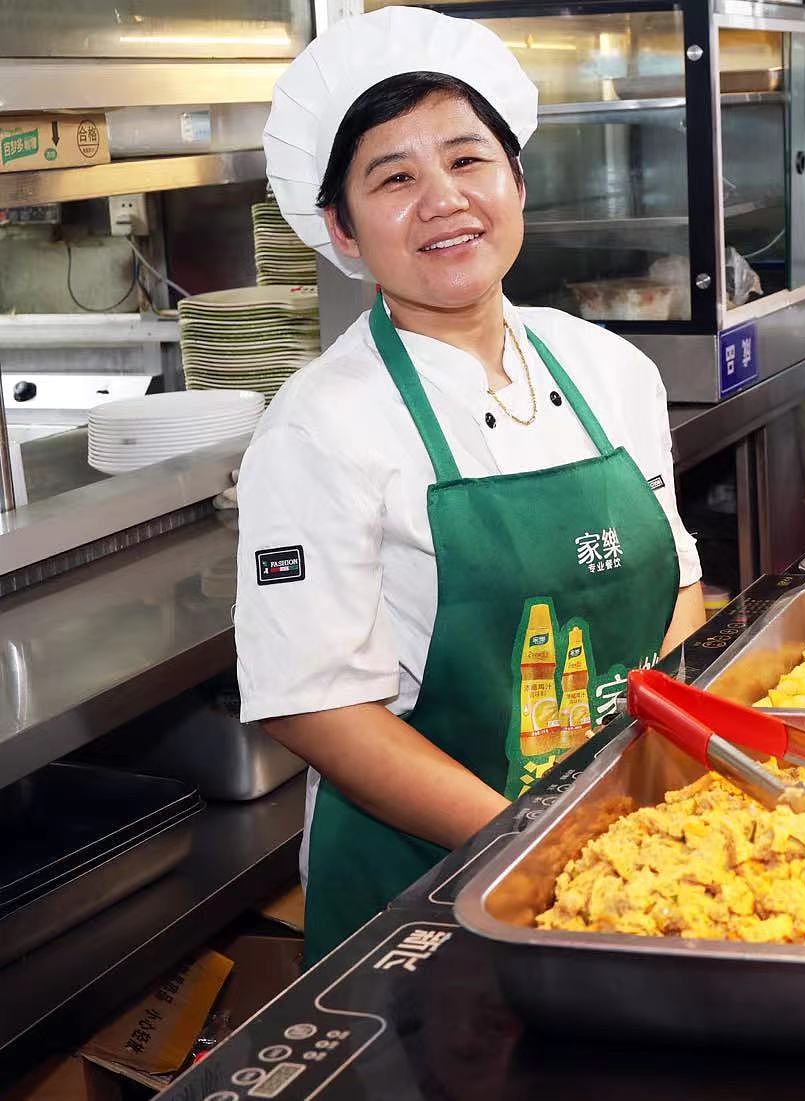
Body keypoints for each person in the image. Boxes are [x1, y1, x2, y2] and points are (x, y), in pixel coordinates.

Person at [236, 6, 705, 962]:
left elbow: (679, 587)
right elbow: (312, 704)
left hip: (639, 850)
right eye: (394, 177)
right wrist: (535, 845)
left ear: (518, 180)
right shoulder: (319, 425)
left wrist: (650, 795)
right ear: (342, 228)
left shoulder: (612, 370)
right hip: (425, 893)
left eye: (466, 158)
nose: (442, 198)